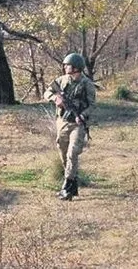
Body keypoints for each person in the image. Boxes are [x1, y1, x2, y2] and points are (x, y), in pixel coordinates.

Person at [43, 53, 96, 201]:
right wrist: (56, 98)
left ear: (76, 68)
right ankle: (72, 183)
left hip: (78, 124)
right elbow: (47, 92)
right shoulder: (61, 81)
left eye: (68, 65)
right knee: (63, 150)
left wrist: (83, 116)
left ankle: (66, 187)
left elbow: (92, 105)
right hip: (63, 122)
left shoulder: (87, 84)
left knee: (72, 153)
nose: (65, 67)